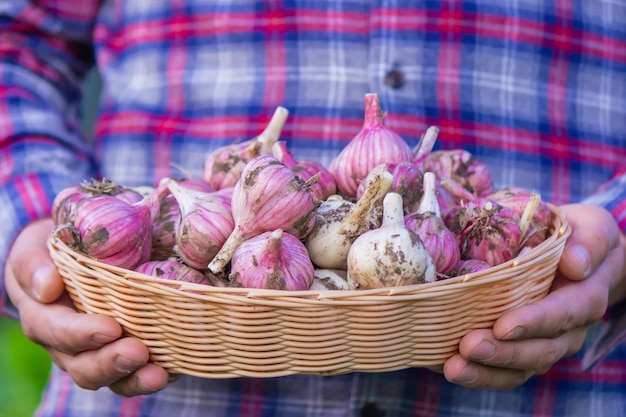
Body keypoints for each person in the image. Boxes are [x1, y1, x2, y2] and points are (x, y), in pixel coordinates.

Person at [2, 1, 625, 416]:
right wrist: (29, 210)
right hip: (148, 342)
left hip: (559, 376)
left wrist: (619, 232)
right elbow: (16, 43)